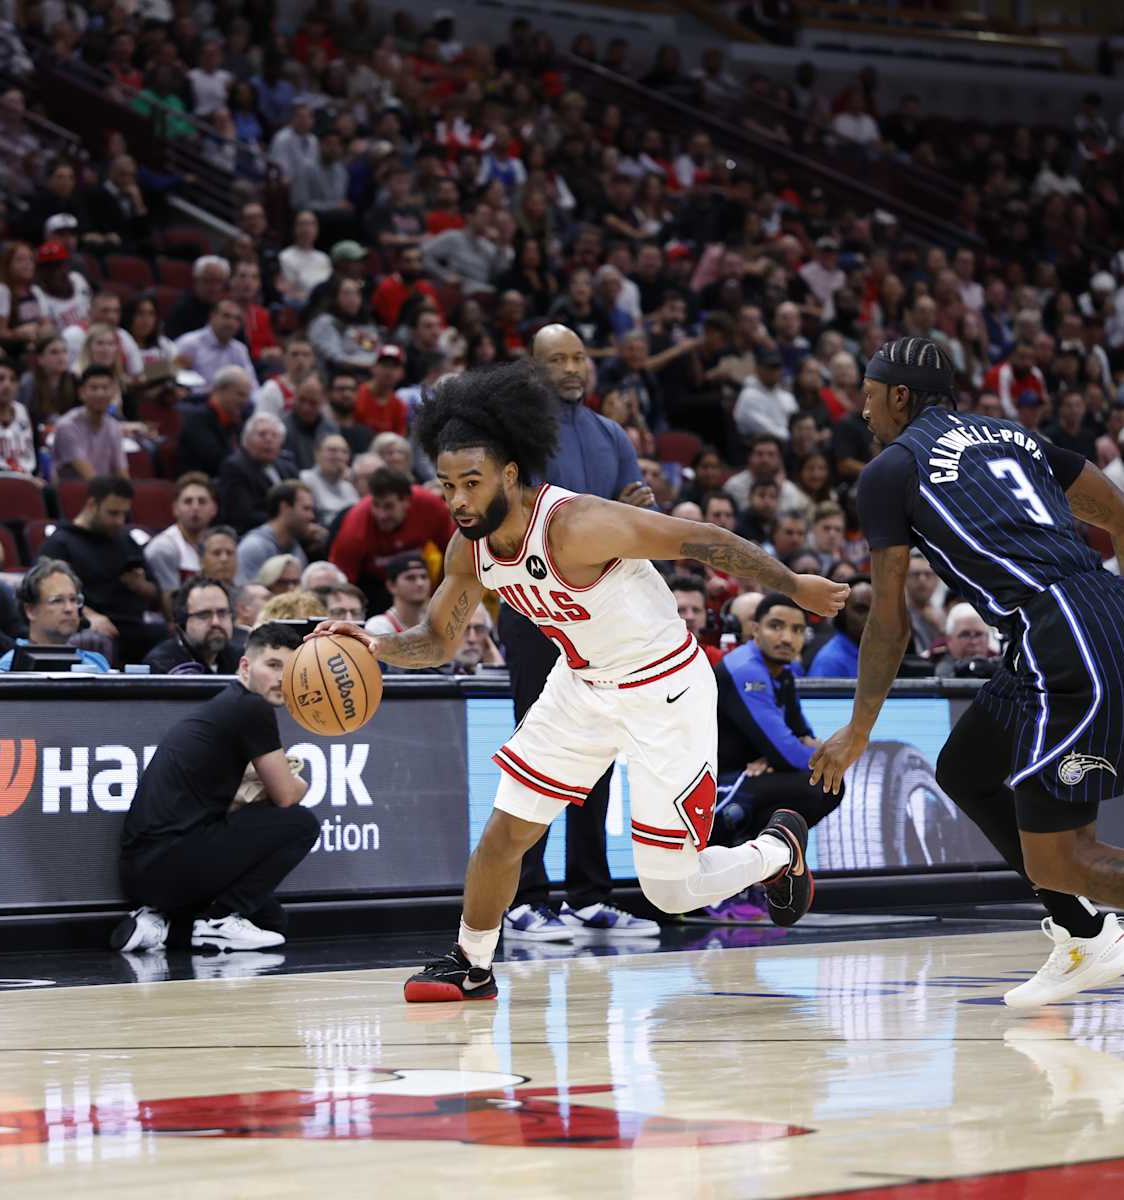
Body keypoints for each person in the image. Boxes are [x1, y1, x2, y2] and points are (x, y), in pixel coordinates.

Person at [807, 338, 1124, 1022]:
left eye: (870, 397)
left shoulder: (890, 469)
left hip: (1060, 628)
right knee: (965, 768)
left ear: (900, 396)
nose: (865, 412)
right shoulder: (1013, 435)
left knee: (1063, 858)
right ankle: (1081, 932)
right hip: (1072, 617)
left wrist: (858, 731)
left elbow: (890, 623)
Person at [313, 361, 846, 1002]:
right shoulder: (467, 548)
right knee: (505, 831)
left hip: (665, 689)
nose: (456, 500)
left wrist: (794, 586)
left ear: (510, 473)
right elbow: (435, 640)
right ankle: (471, 963)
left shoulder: (577, 525)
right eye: (447, 484)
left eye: (471, 483)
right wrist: (373, 645)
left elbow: (701, 540)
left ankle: (776, 850)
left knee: (667, 888)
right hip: (581, 687)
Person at [500, 325, 661, 943]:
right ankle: (524, 899)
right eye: (557, 359)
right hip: (534, 604)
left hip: (597, 612)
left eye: (579, 358)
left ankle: (589, 895)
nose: (572, 369)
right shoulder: (513, 432)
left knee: (598, 747)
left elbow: (623, 515)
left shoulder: (611, 432)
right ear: (533, 368)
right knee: (537, 750)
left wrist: (632, 503)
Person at [112, 622, 318, 954]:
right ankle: (218, 921)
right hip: (167, 862)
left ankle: (160, 927)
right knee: (300, 823)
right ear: (245, 666)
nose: (282, 678)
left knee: (272, 921)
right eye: (273, 665)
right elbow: (286, 796)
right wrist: (300, 780)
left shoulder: (228, 704)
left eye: (292, 670)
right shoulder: (252, 707)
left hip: (145, 870)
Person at [704, 593, 844, 923]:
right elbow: (791, 749)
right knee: (815, 783)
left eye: (796, 630)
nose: (787, 638)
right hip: (708, 786)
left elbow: (802, 740)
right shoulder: (744, 667)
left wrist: (782, 755)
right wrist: (783, 754)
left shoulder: (784, 673)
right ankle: (715, 887)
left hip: (744, 779)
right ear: (754, 629)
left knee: (826, 786)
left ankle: (753, 876)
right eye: (776, 626)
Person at [38, 475, 161, 664]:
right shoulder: (61, 543)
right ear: (92, 505)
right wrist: (89, 616)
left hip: (135, 627)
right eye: (112, 513)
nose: (120, 521)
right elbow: (47, 593)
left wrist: (141, 586)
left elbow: (155, 592)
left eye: (124, 514)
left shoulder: (126, 541)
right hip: (93, 627)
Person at [327, 467, 455, 614]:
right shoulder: (354, 528)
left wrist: (440, 597)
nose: (381, 515)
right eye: (376, 505)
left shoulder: (432, 508)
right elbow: (340, 584)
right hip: (369, 584)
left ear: (406, 502)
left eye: (388, 506)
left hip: (415, 576)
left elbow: (453, 555)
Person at [0, 559, 113, 672]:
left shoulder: (97, 662)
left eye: (73, 600)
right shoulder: (7, 667)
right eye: (57, 600)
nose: (69, 609)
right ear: (31, 610)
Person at [146, 576, 242, 675]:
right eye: (204, 615)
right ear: (182, 622)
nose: (216, 622)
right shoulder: (162, 665)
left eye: (222, 613)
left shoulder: (241, 660)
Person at [217, 412, 295, 530]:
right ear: (246, 440)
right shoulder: (235, 467)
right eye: (262, 434)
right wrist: (286, 522)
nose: (269, 440)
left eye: (274, 435)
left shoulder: (287, 467)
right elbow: (243, 516)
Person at [144, 472, 217, 597]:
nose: (195, 507)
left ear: (214, 509)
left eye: (202, 501)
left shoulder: (218, 544)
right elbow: (170, 605)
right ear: (175, 508)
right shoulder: (163, 547)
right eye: (188, 501)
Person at [51, 364, 128, 484]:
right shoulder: (67, 426)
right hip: (73, 494)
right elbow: (89, 477)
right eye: (94, 388)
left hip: (104, 493)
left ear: (113, 392)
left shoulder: (114, 427)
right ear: (82, 392)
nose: (100, 394)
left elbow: (123, 474)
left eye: (105, 388)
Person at [235, 480, 315, 586]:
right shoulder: (253, 547)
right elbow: (244, 597)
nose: (311, 516)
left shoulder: (296, 550)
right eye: (306, 509)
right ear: (285, 507)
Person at [809, 580, 871, 678]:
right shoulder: (829, 662)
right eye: (861, 610)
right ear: (842, 613)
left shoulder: (881, 654)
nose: (870, 617)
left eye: (875, 610)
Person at [365, 551, 431, 638]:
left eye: (424, 577)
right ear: (391, 585)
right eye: (410, 578)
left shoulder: (439, 623)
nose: (420, 583)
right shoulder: (378, 626)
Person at [933, 603, 998, 679]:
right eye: (965, 635)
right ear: (949, 640)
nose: (973, 642)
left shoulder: (1002, 664)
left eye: (978, 634)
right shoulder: (932, 660)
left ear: (987, 638)